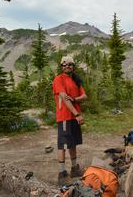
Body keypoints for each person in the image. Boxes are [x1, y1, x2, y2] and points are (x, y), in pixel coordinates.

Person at [53, 56, 87, 185]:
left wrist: (74, 98)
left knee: (73, 143)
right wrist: (77, 114)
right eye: (64, 64)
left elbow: (84, 96)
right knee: (63, 144)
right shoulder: (58, 79)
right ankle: (62, 174)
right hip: (65, 117)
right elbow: (64, 98)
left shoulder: (75, 80)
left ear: (73, 67)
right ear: (61, 67)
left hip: (73, 117)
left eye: (70, 64)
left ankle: (74, 169)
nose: (67, 66)